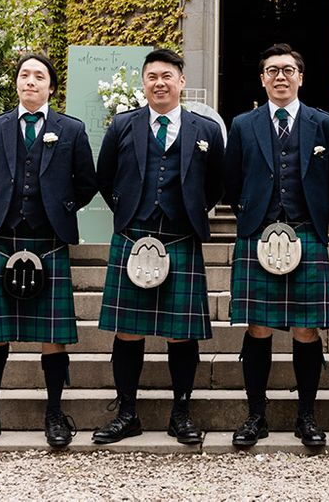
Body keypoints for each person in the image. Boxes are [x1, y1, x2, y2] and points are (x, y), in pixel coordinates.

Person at [92, 48, 225, 445]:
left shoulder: (205, 130)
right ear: (144, 82)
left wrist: (194, 210)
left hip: (181, 237)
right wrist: (129, 211)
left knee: (181, 333)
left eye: (167, 75)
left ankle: (180, 413)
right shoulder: (122, 125)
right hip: (134, 235)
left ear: (181, 82)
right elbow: (105, 177)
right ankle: (127, 413)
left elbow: (217, 182)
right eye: (152, 76)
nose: (160, 83)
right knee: (128, 331)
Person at [0, 53, 98, 448]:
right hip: (2, 237)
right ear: (17, 83)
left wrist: (59, 210)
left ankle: (55, 414)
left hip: (48, 240)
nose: (30, 81)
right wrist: (1, 208)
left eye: (38, 76)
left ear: (51, 87)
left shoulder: (71, 130)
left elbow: (87, 183)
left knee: (53, 336)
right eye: (24, 75)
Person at [224, 43, 329, 448]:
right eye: (272, 70)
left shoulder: (324, 125)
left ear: (301, 77)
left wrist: (317, 216)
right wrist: (250, 217)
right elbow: (232, 179)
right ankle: (255, 416)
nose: (280, 76)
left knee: (307, 330)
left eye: (288, 70)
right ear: (262, 79)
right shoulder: (243, 124)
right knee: (258, 328)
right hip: (258, 233)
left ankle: (306, 417)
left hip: (305, 230)